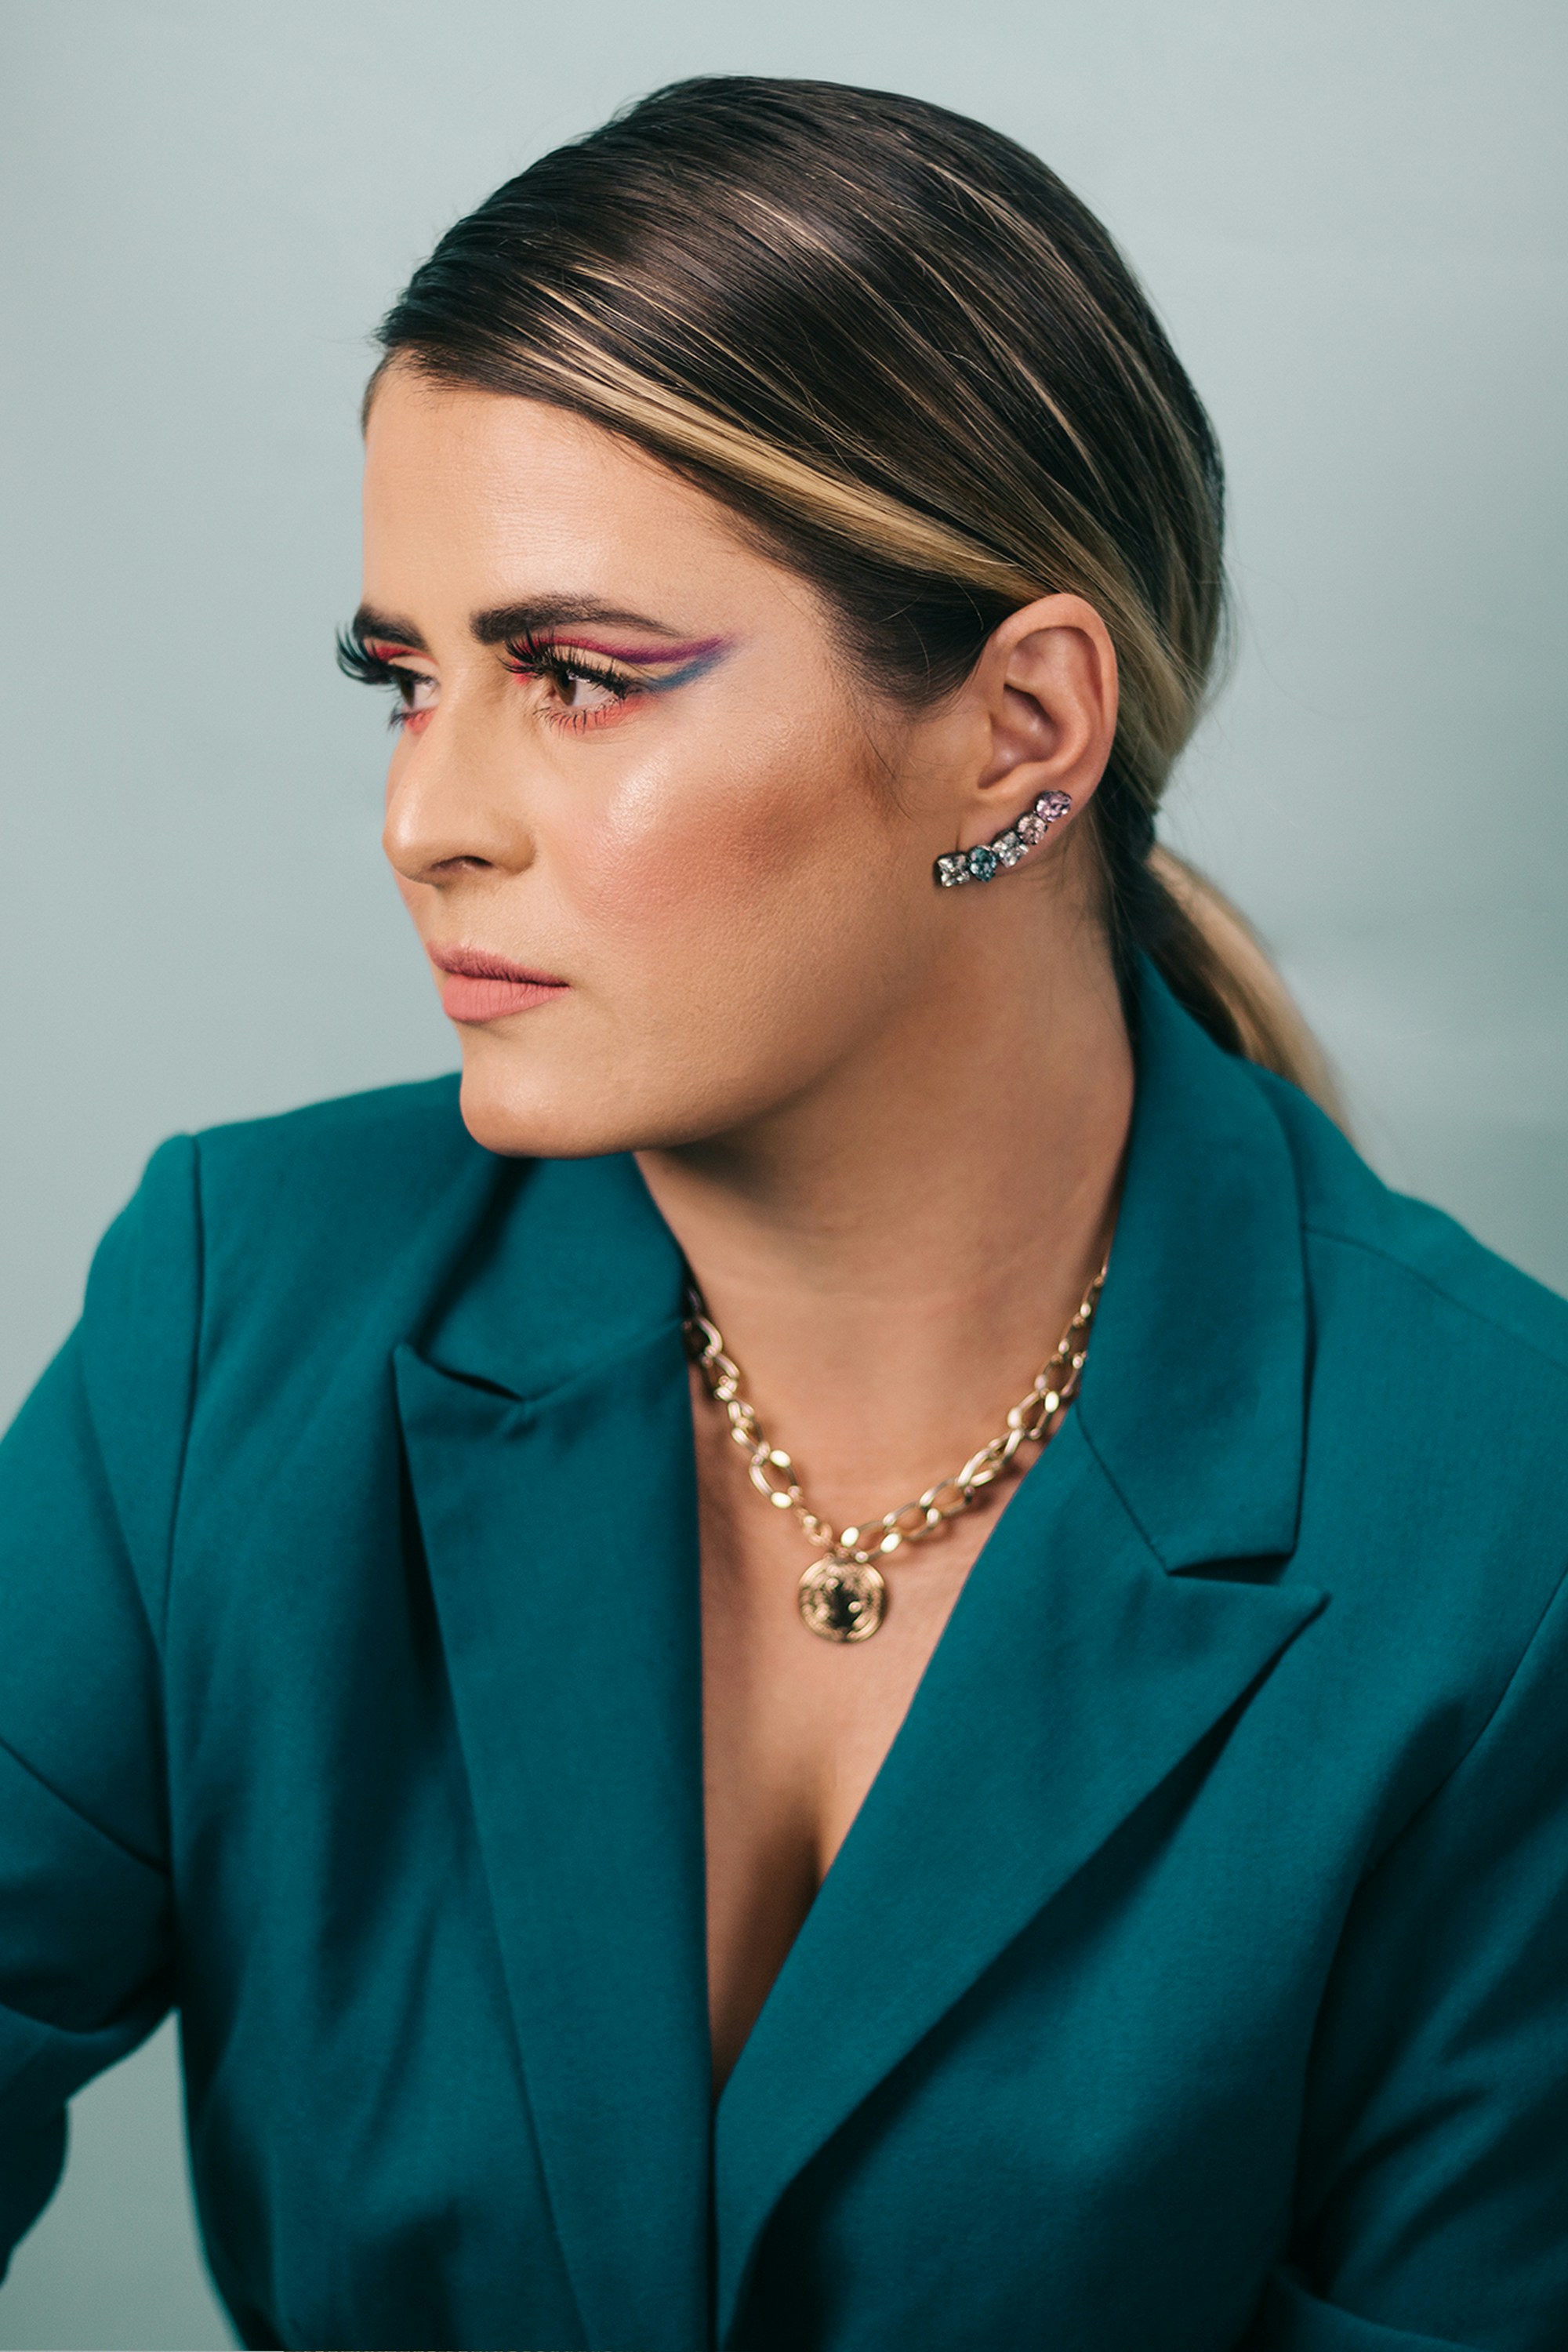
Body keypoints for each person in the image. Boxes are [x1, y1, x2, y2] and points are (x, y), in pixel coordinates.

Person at [2, 72, 1565, 2352]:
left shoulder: (1506, 1536)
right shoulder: (238, 1317)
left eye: (577, 678)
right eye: (404, 684)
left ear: (1020, 727)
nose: (424, 818)